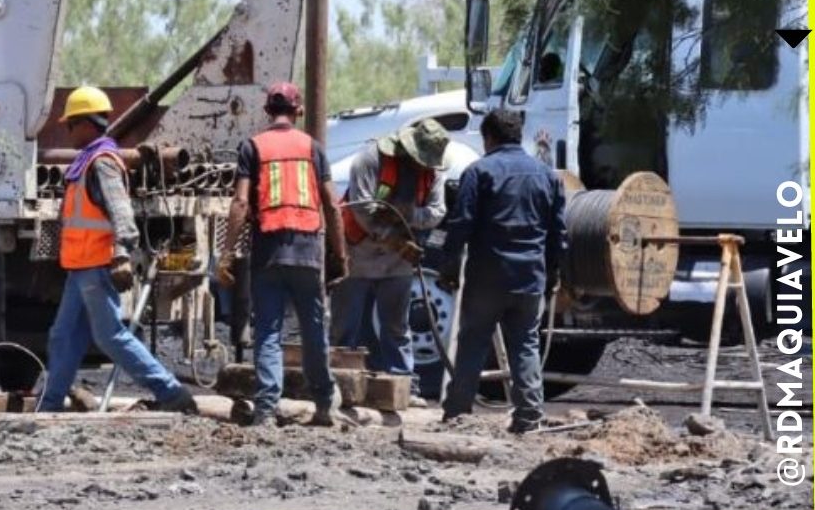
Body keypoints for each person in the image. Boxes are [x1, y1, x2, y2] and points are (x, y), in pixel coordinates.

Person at [38, 86, 197, 414]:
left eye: (70, 124)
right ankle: (50, 405)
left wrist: (122, 253)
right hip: (80, 267)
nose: (67, 131)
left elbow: (121, 211)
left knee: (110, 336)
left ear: (86, 123)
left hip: (97, 265)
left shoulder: (102, 163)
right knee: (62, 336)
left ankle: (171, 393)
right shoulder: (87, 162)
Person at [216, 81, 348, 427]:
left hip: (268, 252)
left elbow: (241, 202)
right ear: (298, 110)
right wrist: (341, 255)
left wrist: (226, 253)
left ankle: (265, 411)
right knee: (313, 330)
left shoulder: (253, 146)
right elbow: (333, 206)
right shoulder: (312, 147)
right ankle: (323, 406)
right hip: (307, 249)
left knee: (268, 332)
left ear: (267, 112)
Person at [438, 109, 567, 433]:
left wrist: (449, 267)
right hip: (529, 278)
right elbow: (558, 233)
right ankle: (529, 416)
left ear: (489, 138)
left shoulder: (479, 172)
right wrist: (553, 274)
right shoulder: (548, 176)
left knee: (473, 342)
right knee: (525, 345)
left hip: (487, 277)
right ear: (518, 136)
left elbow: (461, 224)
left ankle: (457, 413)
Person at [331, 119, 448, 401]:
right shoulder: (370, 160)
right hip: (358, 254)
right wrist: (393, 234)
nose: (422, 166)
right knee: (345, 326)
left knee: (396, 327)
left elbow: (436, 210)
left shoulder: (431, 174)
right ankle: (336, 387)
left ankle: (404, 387)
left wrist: (405, 218)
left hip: (398, 262)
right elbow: (361, 208)